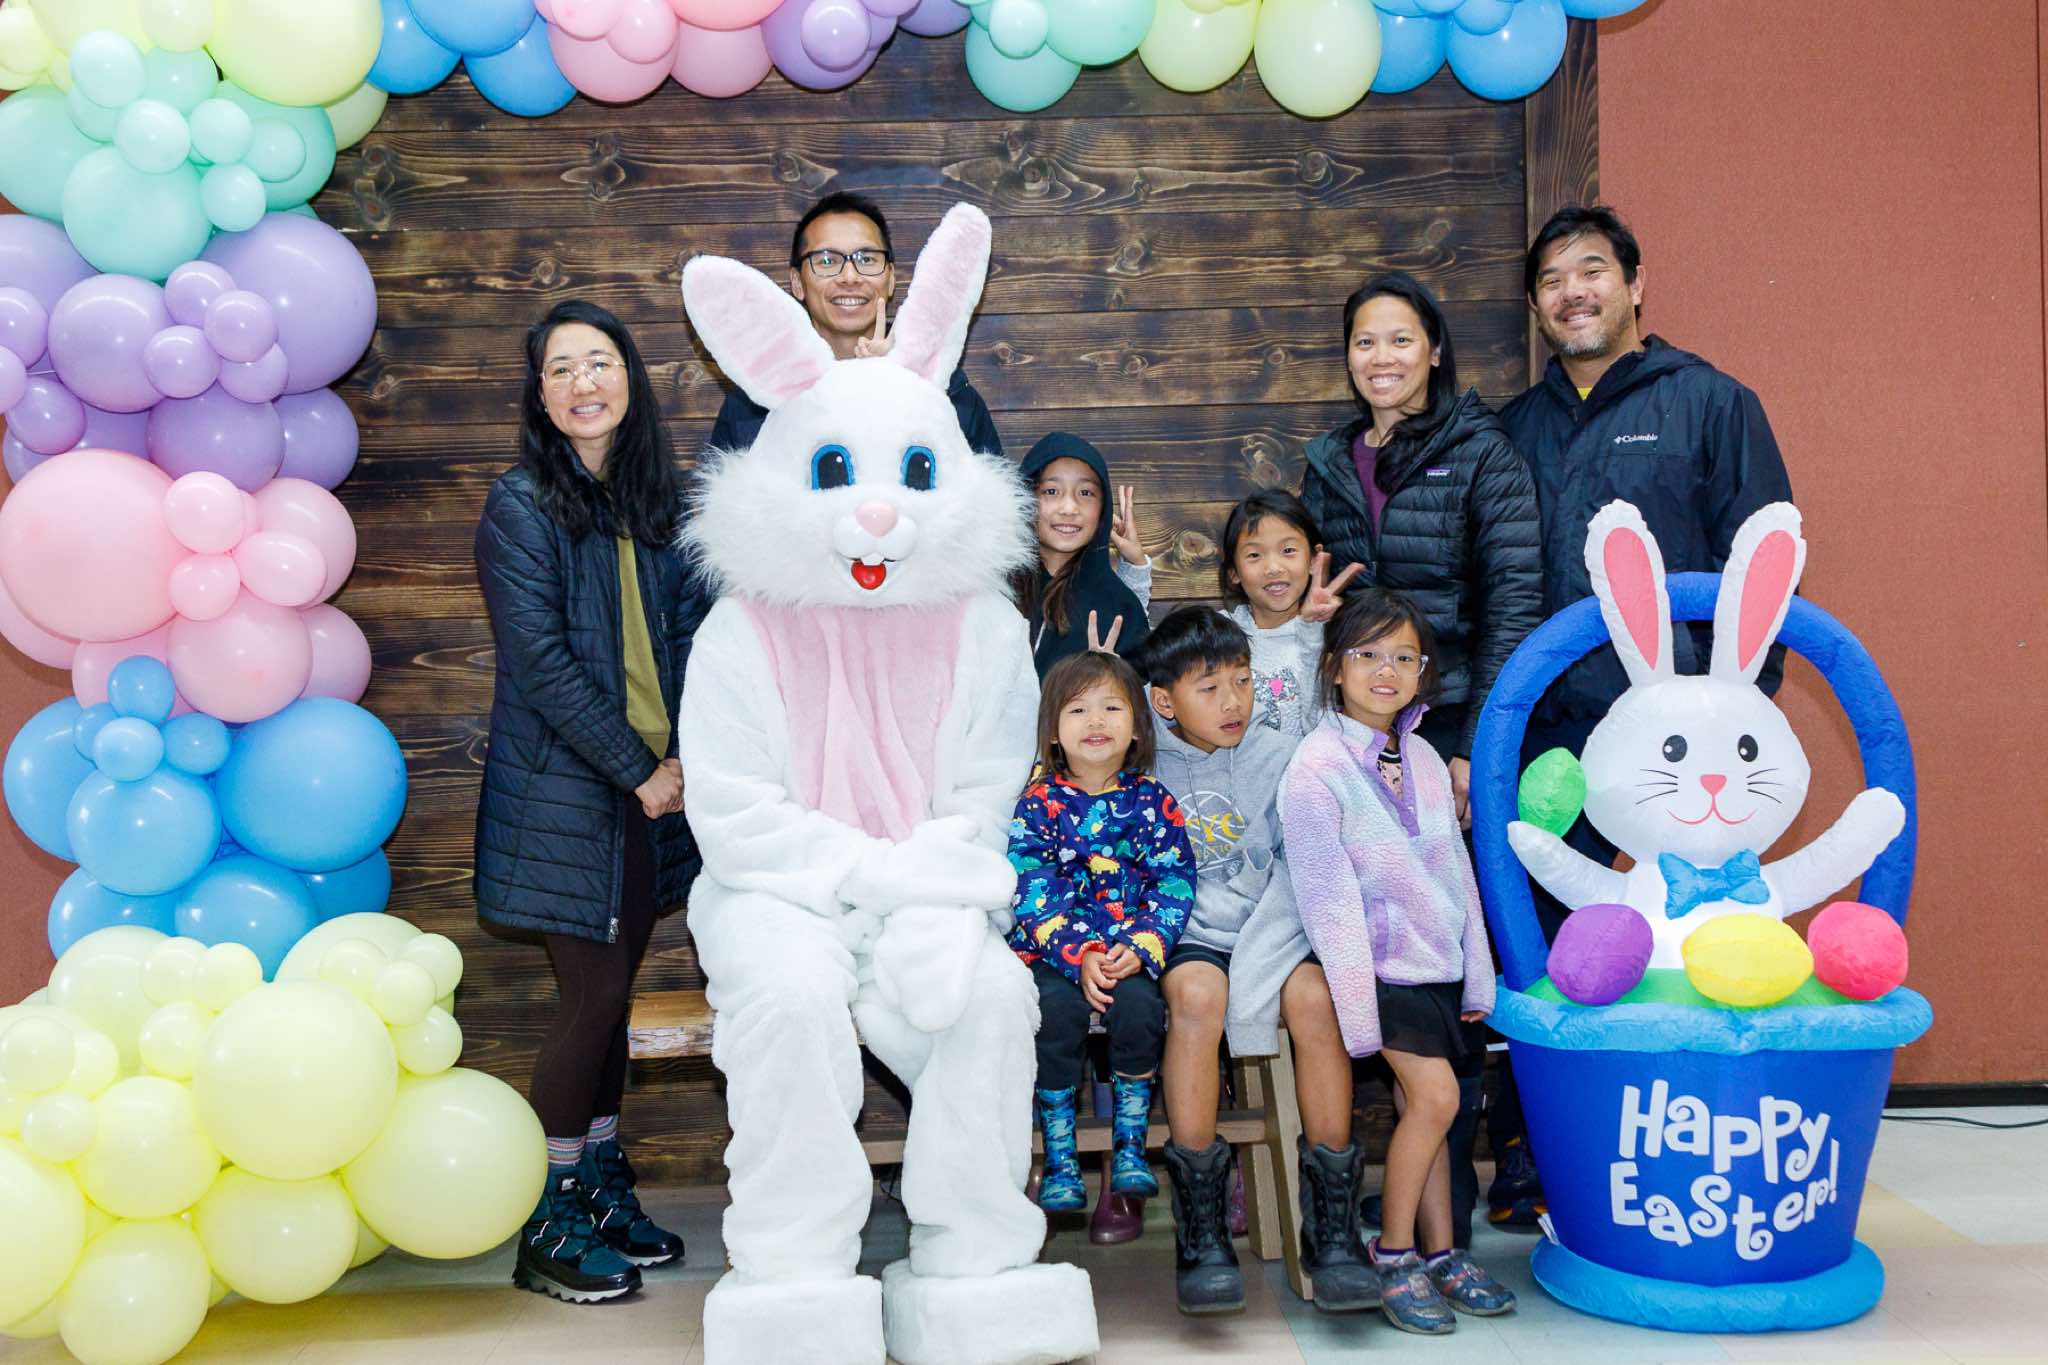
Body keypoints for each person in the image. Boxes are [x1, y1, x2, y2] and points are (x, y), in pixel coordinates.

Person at [1492, 204, 1795, 1224]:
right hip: (1551, 737)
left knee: (1686, 929)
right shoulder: (1510, 429)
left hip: (1679, 749)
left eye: (1591, 270)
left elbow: (1760, 562)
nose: (1571, 292)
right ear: (1535, 306)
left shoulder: (1710, 402)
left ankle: (1693, 1138)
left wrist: (1741, 719)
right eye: (1551, 279)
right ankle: (1536, 1149)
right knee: (1542, 936)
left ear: (1633, 283)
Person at [474, 300, 710, 1303]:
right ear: (540, 395)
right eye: (562, 368)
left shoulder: (662, 502)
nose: (584, 382)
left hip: (653, 791)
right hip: (569, 795)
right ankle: (549, 1215)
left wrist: (688, 751)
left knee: (612, 1004)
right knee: (590, 1002)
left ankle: (602, 1185)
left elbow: (697, 639)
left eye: (600, 361)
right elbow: (541, 664)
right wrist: (639, 768)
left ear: (629, 378)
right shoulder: (521, 504)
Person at [1279, 590, 1516, 1335]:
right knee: (1438, 1099)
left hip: (1437, 967)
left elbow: (1457, 875)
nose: (1386, 670)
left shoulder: (1422, 756)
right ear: (1334, 666)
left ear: (1422, 672)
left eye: (1404, 657)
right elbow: (1329, 904)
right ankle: (1393, 1253)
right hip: (1377, 972)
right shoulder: (1315, 767)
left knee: (1433, 1112)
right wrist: (1357, 1013)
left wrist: (1478, 974)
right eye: (1368, 654)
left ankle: (1443, 1254)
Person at [1135, 606, 1376, 1316]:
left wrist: (1277, 938)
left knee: (1316, 1000)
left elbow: (1310, 858)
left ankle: (1332, 1229)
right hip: (1190, 932)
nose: (1233, 701)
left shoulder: (1283, 752)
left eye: (1242, 680)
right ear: (1164, 701)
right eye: (1209, 688)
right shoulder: (1144, 765)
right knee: (1197, 999)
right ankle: (1203, 1231)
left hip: (1274, 924)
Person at [1298, 270, 1542, 825]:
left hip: (1450, 717)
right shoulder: (1329, 463)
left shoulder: (1483, 453)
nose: (1381, 357)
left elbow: (1515, 605)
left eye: (1401, 340)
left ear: (1434, 352)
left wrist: (1477, 745)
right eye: (1365, 342)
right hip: (1355, 722)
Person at [1007, 651, 1194, 1222]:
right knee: (1053, 1013)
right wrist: (1079, 953)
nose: (1095, 721)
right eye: (1078, 710)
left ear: (1137, 726)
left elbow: (1174, 881)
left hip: (1128, 953)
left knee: (1140, 1010)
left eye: (1112, 708)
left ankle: (1130, 1146)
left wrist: (1140, 947)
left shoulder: (1153, 801)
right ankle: (1061, 1157)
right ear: (1053, 732)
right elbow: (1031, 885)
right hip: (1054, 953)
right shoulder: (1037, 803)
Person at [705, 190, 1002, 456]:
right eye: (826, 261)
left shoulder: (949, 394)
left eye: (867, 259)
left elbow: (990, 497)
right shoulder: (753, 404)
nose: (850, 276)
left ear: (891, 278)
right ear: (797, 282)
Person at [1214, 490, 1358, 738]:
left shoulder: (1334, 637)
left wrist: (1312, 630)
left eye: (1288, 550)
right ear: (1233, 571)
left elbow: (1318, 730)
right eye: (1254, 555)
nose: (1273, 568)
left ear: (1314, 559)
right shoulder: (1215, 634)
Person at [1014, 431, 1152, 675]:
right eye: (1051, 491)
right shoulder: (995, 589)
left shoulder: (1121, 607)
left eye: (1085, 493)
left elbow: (1141, 690)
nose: (1069, 508)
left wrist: (1111, 683)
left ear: (1103, 509)